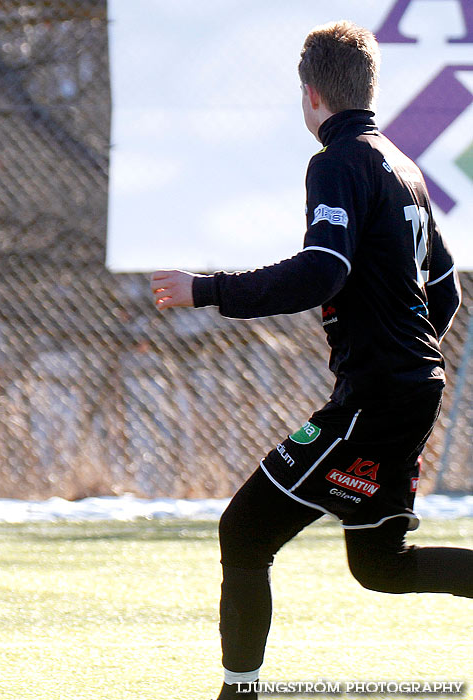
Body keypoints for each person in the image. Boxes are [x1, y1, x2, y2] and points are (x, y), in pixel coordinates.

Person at [150, 21, 472, 700]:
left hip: (380, 394)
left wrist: (205, 289)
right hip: (406, 388)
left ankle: (237, 694)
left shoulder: (336, 161)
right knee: (381, 566)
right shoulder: (403, 167)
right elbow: (442, 288)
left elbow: (321, 269)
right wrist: (408, 362)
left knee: (242, 532)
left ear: (311, 94)